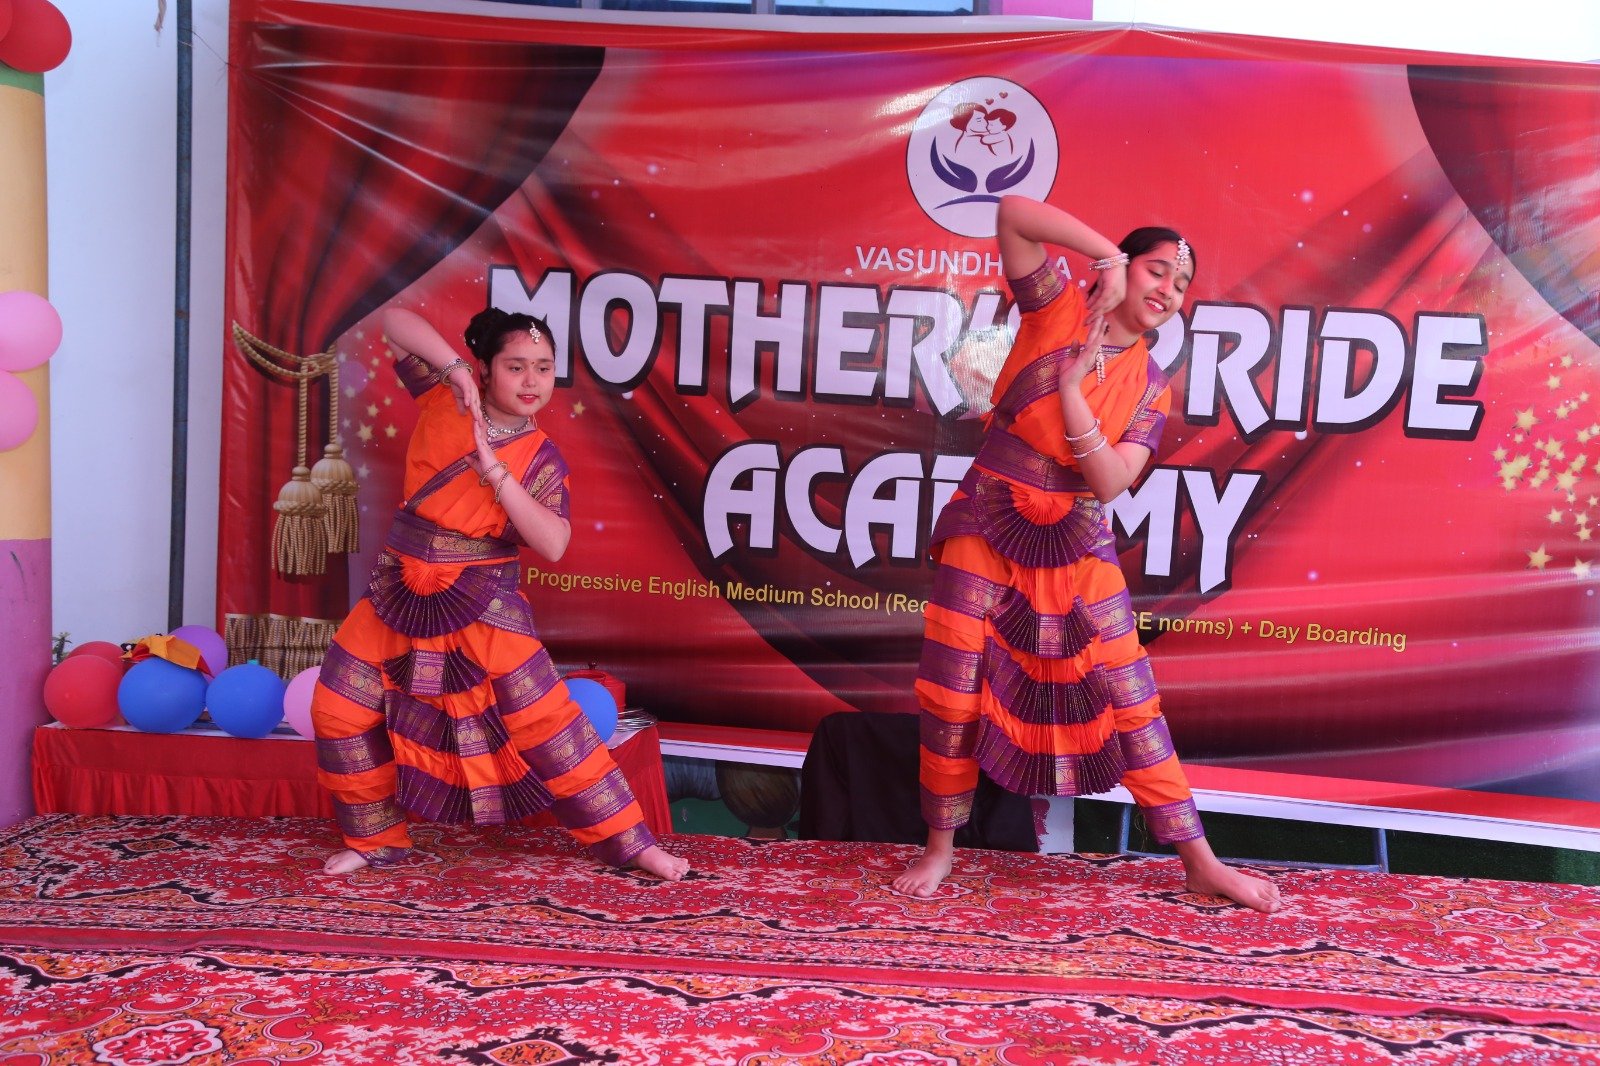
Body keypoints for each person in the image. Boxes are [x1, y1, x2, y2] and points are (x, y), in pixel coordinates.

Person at [892, 195, 1281, 912]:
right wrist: (1104, 257)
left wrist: (1072, 392)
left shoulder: (1152, 386)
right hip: (987, 520)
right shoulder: (1057, 309)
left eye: (1181, 284)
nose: (1168, 290)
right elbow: (1014, 213)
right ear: (1125, 270)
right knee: (953, 688)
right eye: (1156, 270)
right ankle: (940, 848)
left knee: (1130, 696)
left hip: (1077, 539)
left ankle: (1200, 862)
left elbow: (1107, 482)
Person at [311, 305, 688, 881]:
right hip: (400, 591)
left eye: (544, 367)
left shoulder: (541, 457)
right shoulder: (445, 399)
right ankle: (375, 840)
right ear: (486, 369)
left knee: (548, 724)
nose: (532, 380)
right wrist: (454, 369)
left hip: (484, 601)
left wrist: (495, 472)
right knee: (338, 706)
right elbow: (393, 321)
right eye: (516, 366)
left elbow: (553, 543)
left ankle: (632, 843)